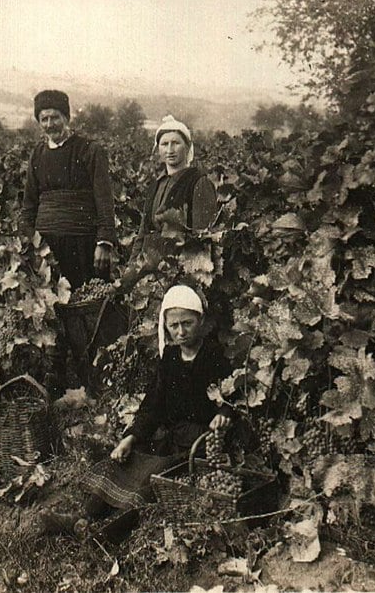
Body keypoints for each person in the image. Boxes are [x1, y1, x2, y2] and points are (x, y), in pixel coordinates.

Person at [39, 285, 236, 539]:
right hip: (170, 437)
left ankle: (105, 533)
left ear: (200, 320)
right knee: (122, 462)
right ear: (165, 326)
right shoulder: (170, 358)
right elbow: (153, 405)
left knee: (151, 480)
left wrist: (224, 413)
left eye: (187, 323)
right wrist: (130, 439)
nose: (181, 331)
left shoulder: (214, 356)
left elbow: (232, 395)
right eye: (173, 326)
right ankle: (82, 518)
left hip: (198, 445)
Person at [19, 89, 117, 290]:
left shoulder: (90, 150)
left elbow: (104, 200)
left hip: (83, 243)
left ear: (67, 117)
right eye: (43, 119)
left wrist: (104, 242)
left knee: (87, 299)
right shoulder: (37, 155)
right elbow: (29, 204)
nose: (49, 124)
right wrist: (28, 243)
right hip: (47, 247)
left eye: (55, 117)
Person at [132, 115, 219, 269]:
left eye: (176, 143)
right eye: (164, 144)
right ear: (158, 149)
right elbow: (143, 232)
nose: (170, 150)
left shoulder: (199, 182)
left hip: (181, 268)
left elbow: (203, 239)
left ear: (187, 147)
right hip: (151, 268)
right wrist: (132, 268)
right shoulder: (156, 184)